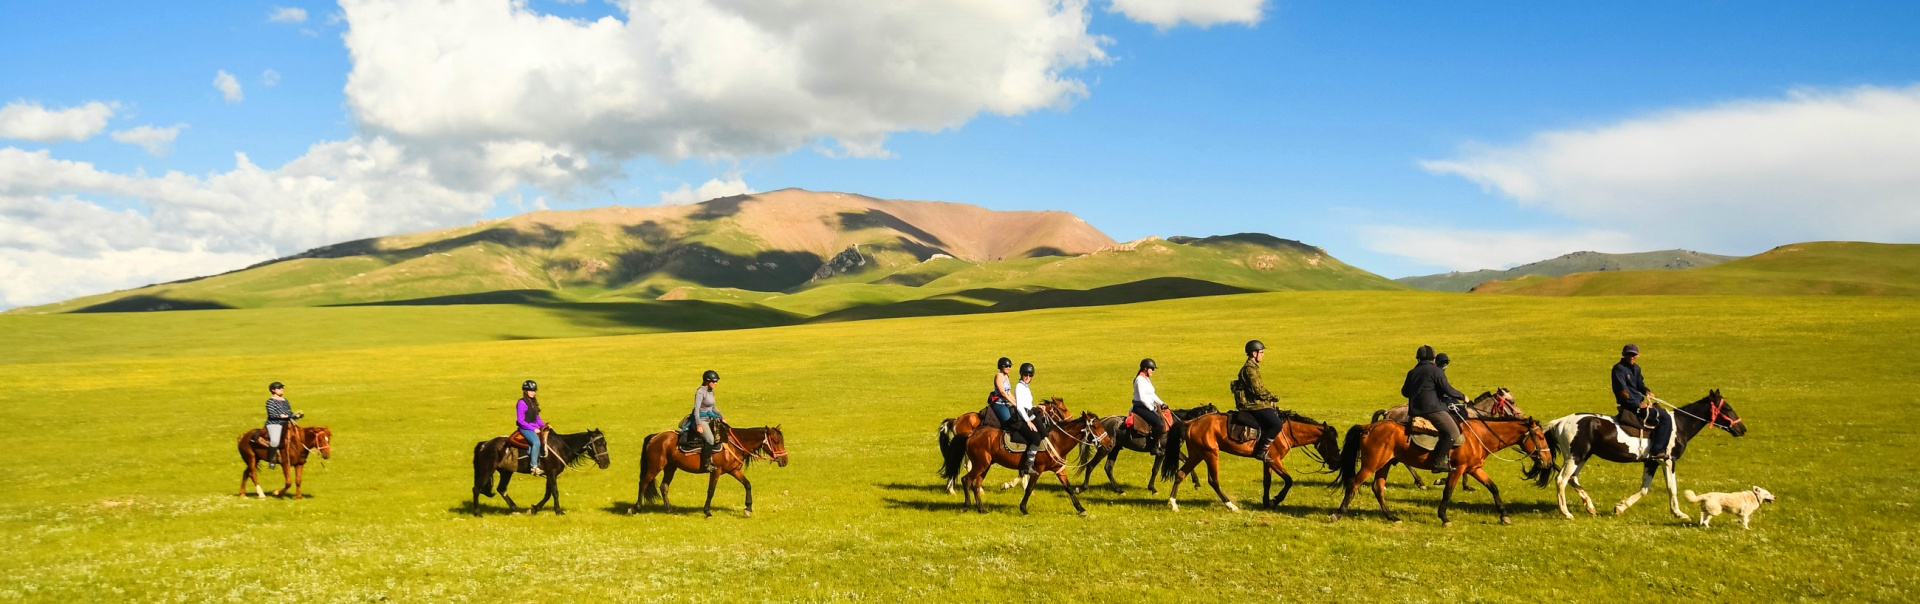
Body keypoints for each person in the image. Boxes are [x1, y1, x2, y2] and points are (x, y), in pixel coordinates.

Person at [1401, 345, 1465, 473]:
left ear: (1418, 359)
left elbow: (1405, 392)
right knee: (1453, 432)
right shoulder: (1436, 371)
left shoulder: (1412, 372)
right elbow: (1447, 389)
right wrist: (1463, 396)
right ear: (1433, 359)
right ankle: (1439, 461)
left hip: (1415, 410)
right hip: (1433, 410)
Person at [1613, 344, 1671, 461]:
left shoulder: (1636, 368)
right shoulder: (1619, 369)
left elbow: (1639, 385)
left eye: (1634, 354)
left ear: (1638, 355)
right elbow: (1623, 391)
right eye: (1629, 354)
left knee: (1660, 412)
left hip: (1638, 401)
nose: (1631, 357)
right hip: (1630, 404)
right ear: (1623, 354)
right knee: (1665, 418)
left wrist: (1647, 391)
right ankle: (1657, 450)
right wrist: (1638, 404)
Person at [1234, 340, 1287, 460]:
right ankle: (1261, 450)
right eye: (1261, 352)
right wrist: (1272, 397)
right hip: (1252, 405)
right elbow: (1258, 391)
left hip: (1257, 403)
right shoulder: (1249, 370)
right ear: (1254, 353)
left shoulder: (1253, 368)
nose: (1263, 355)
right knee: (1277, 424)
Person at [1009, 363, 1045, 475]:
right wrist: (1028, 421)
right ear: (1021, 374)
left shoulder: (1025, 386)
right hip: (1021, 419)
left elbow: (1027, 404)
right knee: (1036, 438)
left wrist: (1036, 406)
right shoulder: (1019, 387)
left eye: (1030, 375)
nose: (1028, 377)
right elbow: (1020, 406)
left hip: (1028, 413)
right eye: (1025, 375)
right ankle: (1028, 466)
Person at [1131, 358, 1169, 452]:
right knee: (1159, 424)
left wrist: (1162, 403)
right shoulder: (1139, 380)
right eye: (1151, 369)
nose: (1153, 371)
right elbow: (1143, 398)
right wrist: (1152, 408)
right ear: (1145, 369)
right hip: (1141, 407)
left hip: (1148, 406)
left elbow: (1152, 394)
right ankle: (1154, 446)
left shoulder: (1146, 379)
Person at [691, 370, 726, 472]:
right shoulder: (700, 392)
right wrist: (698, 425)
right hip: (701, 420)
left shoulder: (711, 391)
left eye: (716, 381)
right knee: (710, 439)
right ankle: (706, 464)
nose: (716, 383)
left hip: (709, 418)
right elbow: (696, 409)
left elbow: (713, 407)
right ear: (707, 381)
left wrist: (721, 417)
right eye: (714, 381)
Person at [263, 382, 300, 468]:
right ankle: (271, 459)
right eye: (279, 388)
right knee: (275, 441)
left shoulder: (285, 400)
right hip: (274, 424)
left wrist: (295, 416)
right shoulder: (270, 401)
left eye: (282, 388)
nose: (281, 389)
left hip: (286, 423)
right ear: (273, 390)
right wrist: (281, 416)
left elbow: (289, 412)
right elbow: (272, 414)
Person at [516, 380, 547, 476]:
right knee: (536, 442)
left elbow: (537, 418)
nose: (533, 392)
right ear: (525, 391)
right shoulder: (521, 403)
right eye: (531, 390)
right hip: (525, 428)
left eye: (534, 390)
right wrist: (533, 429)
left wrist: (544, 426)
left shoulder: (533, 402)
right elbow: (520, 420)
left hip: (535, 427)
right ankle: (534, 466)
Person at [987, 357, 1016, 427]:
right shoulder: (998, 376)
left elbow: (1008, 392)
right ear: (1001, 367)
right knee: (1008, 423)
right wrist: (1013, 403)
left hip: (1006, 403)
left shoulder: (1006, 376)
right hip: (999, 404)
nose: (1008, 368)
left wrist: (1016, 402)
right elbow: (1003, 392)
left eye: (1010, 366)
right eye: (1006, 366)